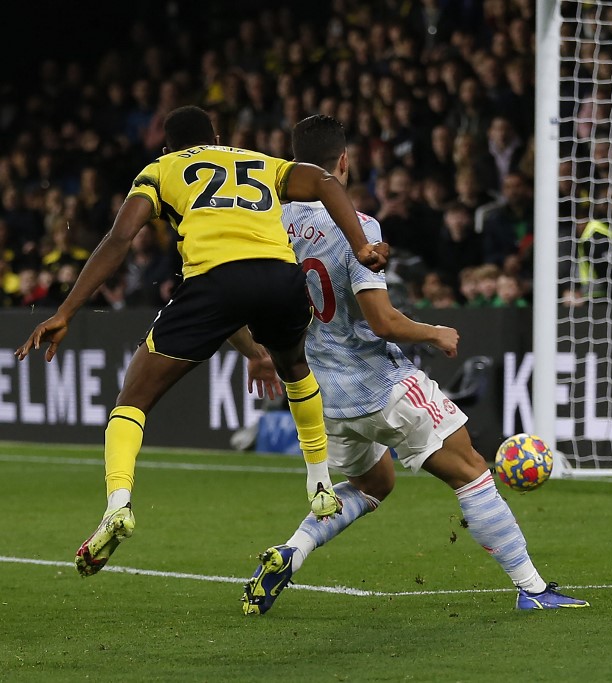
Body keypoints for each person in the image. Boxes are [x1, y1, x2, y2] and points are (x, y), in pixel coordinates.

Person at [15, 106, 390, 578]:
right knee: (295, 366)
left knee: (132, 399)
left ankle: (118, 504)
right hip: (280, 277)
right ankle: (320, 483)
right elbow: (322, 181)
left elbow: (120, 237)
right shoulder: (258, 161)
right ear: (216, 137)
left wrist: (66, 310)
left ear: (168, 147)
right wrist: (359, 244)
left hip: (213, 281)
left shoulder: (159, 170)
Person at [235, 114, 588, 614]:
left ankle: (293, 551)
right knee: (471, 469)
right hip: (381, 383)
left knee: (374, 482)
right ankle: (533, 590)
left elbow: (242, 303)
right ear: (342, 162)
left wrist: (255, 353)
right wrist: (433, 332)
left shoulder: (268, 228)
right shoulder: (356, 225)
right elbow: (381, 321)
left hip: (323, 400)